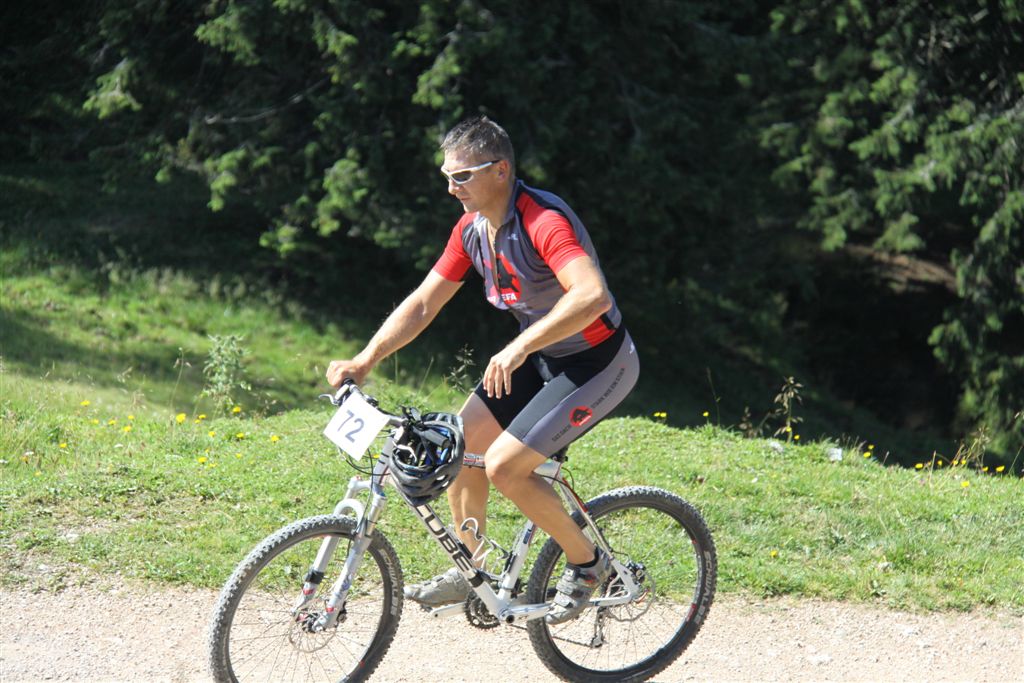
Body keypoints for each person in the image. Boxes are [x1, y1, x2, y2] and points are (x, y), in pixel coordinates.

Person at [326, 116, 639, 624]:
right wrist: (365, 360)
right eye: (446, 176)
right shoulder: (472, 229)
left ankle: (588, 564)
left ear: (500, 170)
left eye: (462, 176)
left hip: (598, 362)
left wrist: (517, 348)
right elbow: (424, 303)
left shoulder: (542, 221)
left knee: (505, 467)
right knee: (460, 443)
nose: (452, 188)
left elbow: (592, 296)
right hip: (541, 355)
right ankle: (472, 567)